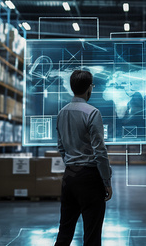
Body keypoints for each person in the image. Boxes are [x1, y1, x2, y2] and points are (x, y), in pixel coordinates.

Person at [55, 70, 113, 246]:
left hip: (69, 177)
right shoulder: (92, 112)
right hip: (89, 178)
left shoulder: (62, 113)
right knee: (92, 234)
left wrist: (72, 166)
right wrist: (107, 181)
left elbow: (60, 147)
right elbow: (100, 151)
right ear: (89, 88)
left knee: (64, 231)